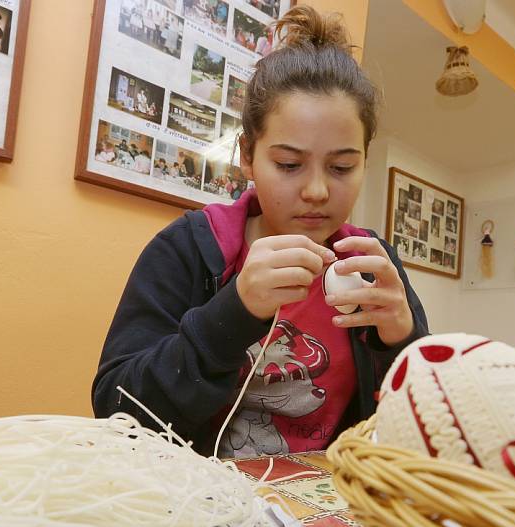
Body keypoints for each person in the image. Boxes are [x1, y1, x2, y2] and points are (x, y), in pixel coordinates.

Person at [92, 5, 428, 458]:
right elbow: (115, 409)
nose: (316, 190)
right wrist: (234, 313)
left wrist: (403, 341)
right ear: (247, 155)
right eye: (289, 165)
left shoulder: (372, 267)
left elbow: (425, 425)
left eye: (342, 166)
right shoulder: (190, 248)